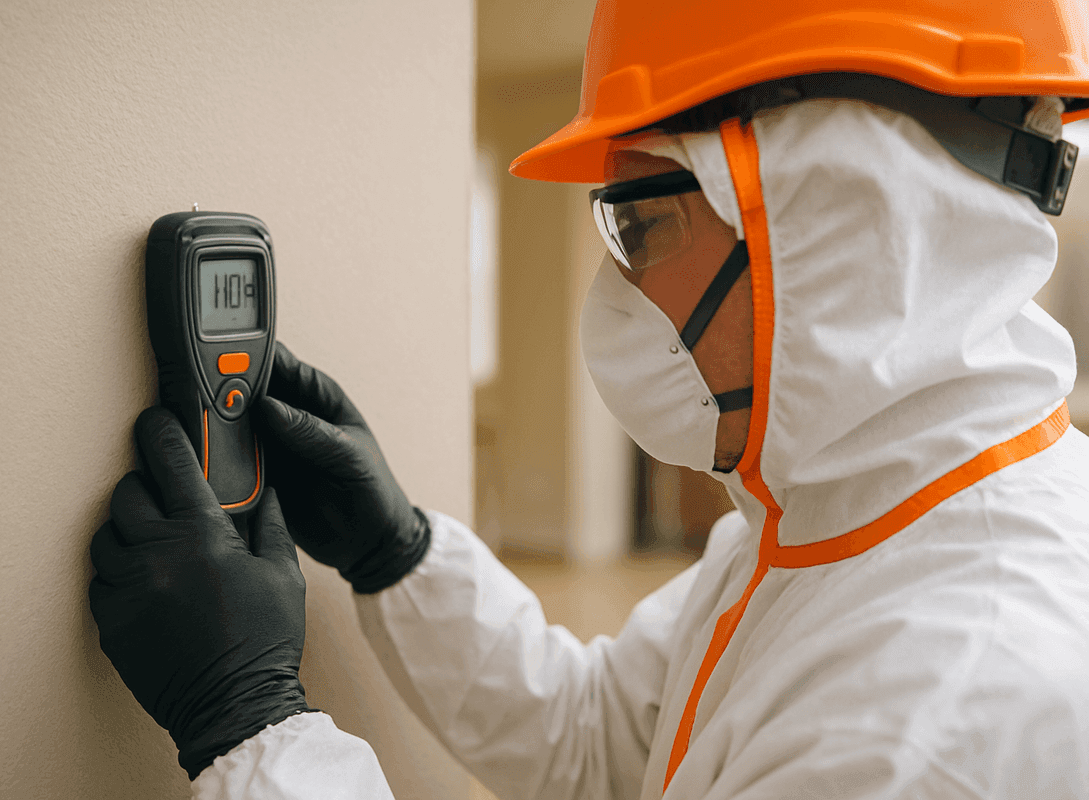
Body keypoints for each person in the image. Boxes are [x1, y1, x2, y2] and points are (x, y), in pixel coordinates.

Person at [88, 1, 1089, 797]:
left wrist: (252, 727)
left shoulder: (941, 718)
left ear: (835, 208)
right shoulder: (829, 511)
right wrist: (397, 553)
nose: (614, 295)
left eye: (641, 225)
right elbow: (598, 743)